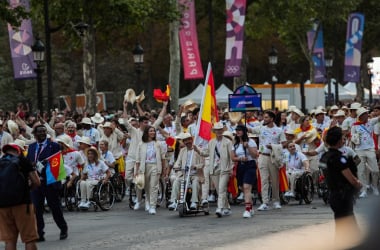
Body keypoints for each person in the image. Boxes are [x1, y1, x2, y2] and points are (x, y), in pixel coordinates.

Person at [320, 126, 362, 244]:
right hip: (343, 195)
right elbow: (351, 179)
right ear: (339, 141)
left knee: (341, 224)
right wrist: (358, 184)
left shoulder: (324, 157)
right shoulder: (338, 158)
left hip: (333, 194)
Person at [27, 125, 68, 241]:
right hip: (36, 183)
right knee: (36, 209)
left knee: (55, 208)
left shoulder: (54, 146)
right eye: (39, 132)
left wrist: (44, 165)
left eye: (44, 131)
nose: (42, 134)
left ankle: (63, 229)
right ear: (34, 134)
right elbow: (28, 162)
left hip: (50, 182)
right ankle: (40, 233)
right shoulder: (31, 147)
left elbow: (58, 162)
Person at [0, 143, 40, 250]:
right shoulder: (23, 161)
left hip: (2, 206)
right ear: (19, 151)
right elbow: (36, 182)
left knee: (9, 240)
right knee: (29, 238)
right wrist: (27, 189)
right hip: (22, 204)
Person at [194, 122, 234, 217]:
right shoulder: (211, 142)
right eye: (217, 130)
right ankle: (227, 207)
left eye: (220, 130)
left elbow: (231, 157)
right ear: (214, 131)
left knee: (221, 188)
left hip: (225, 168)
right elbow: (205, 153)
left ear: (222, 131)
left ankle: (219, 208)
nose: (219, 131)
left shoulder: (228, 142)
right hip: (214, 168)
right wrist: (197, 149)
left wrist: (231, 168)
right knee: (219, 189)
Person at [250, 110, 284, 211]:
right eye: (264, 117)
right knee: (264, 180)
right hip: (262, 156)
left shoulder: (279, 130)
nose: (264, 119)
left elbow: (285, 143)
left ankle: (276, 201)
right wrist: (239, 121)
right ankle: (265, 202)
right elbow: (249, 130)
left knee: (274, 180)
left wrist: (273, 146)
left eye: (266, 117)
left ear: (272, 119)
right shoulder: (261, 128)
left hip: (273, 156)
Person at [168, 133, 205, 210]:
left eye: (189, 139)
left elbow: (203, 163)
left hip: (196, 175)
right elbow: (178, 162)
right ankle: (174, 201)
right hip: (184, 174)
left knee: (195, 182)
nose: (187, 142)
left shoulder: (198, 149)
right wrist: (176, 167)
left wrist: (195, 166)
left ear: (192, 139)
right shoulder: (182, 151)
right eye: (185, 140)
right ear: (184, 142)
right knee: (176, 181)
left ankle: (194, 202)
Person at [135, 126, 166, 215]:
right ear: (146, 133)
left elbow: (163, 158)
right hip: (144, 167)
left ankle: (152, 206)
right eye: (151, 131)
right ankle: (146, 202)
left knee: (154, 186)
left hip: (155, 166)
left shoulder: (158, 143)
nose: (153, 132)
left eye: (154, 131)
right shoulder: (141, 144)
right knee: (146, 187)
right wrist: (136, 171)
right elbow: (137, 159)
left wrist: (163, 169)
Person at [231, 125, 258, 218]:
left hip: (250, 165)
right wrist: (240, 158)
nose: (238, 132)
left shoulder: (251, 142)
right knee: (242, 187)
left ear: (244, 131)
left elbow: (255, 155)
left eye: (240, 130)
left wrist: (248, 147)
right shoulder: (235, 143)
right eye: (236, 130)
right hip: (240, 166)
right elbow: (233, 157)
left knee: (247, 187)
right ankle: (250, 207)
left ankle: (247, 210)